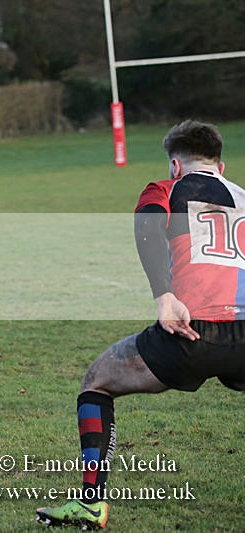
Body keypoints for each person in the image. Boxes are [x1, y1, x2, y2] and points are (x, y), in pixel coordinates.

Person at [35, 120, 245, 529]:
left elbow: (148, 223)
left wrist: (164, 296)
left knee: (96, 381)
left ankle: (91, 504)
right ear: (220, 167)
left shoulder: (166, 188)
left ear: (174, 165)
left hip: (192, 332)